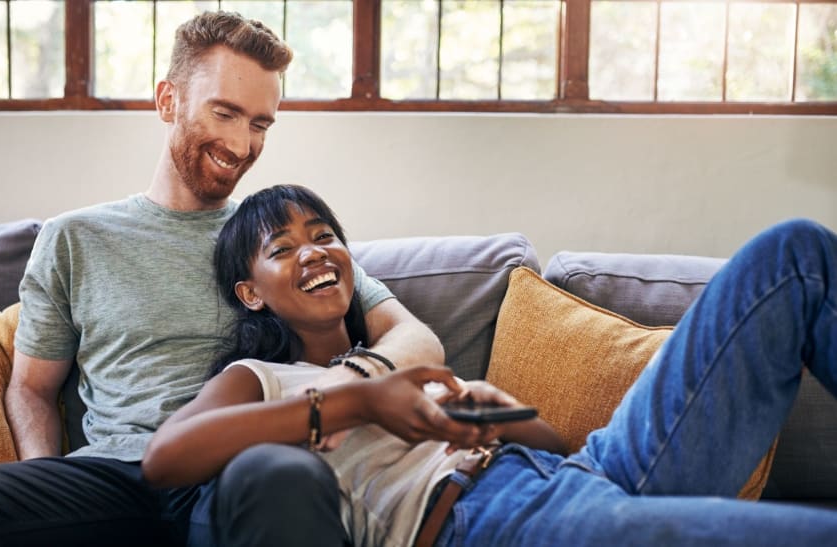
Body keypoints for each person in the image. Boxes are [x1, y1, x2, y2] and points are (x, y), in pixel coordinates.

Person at [0, 12, 477, 547]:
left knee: (284, 479)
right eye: (225, 113)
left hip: (240, 466)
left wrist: (336, 392)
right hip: (116, 477)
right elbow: (30, 389)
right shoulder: (75, 238)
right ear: (168, 101)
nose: (242, 144)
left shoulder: (278, 240)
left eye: (261, 123)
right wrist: (42, 478)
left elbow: (417, 342)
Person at [143, 183, 837, 547]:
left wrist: (489, 412)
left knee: (792, 257)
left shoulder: (392, 354)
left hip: (589, 472)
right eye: (283, 247)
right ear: (250, 291)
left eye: (325, 237)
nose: (315, 252)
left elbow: (552, 447)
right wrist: (355, 403)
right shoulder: (260, 380)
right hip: (488, 518)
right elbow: (165, 458)